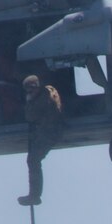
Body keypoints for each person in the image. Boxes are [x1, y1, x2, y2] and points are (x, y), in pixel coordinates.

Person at [18, 75, 65, 206]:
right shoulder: (50, 91)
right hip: (50, 131)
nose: (30, 93)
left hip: (47, 132)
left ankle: (34, 196)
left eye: (31, 90)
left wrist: (29, 102)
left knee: (33, 160)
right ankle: (34, 195)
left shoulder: (42, 98)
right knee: (33, 159)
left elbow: (30, 116)